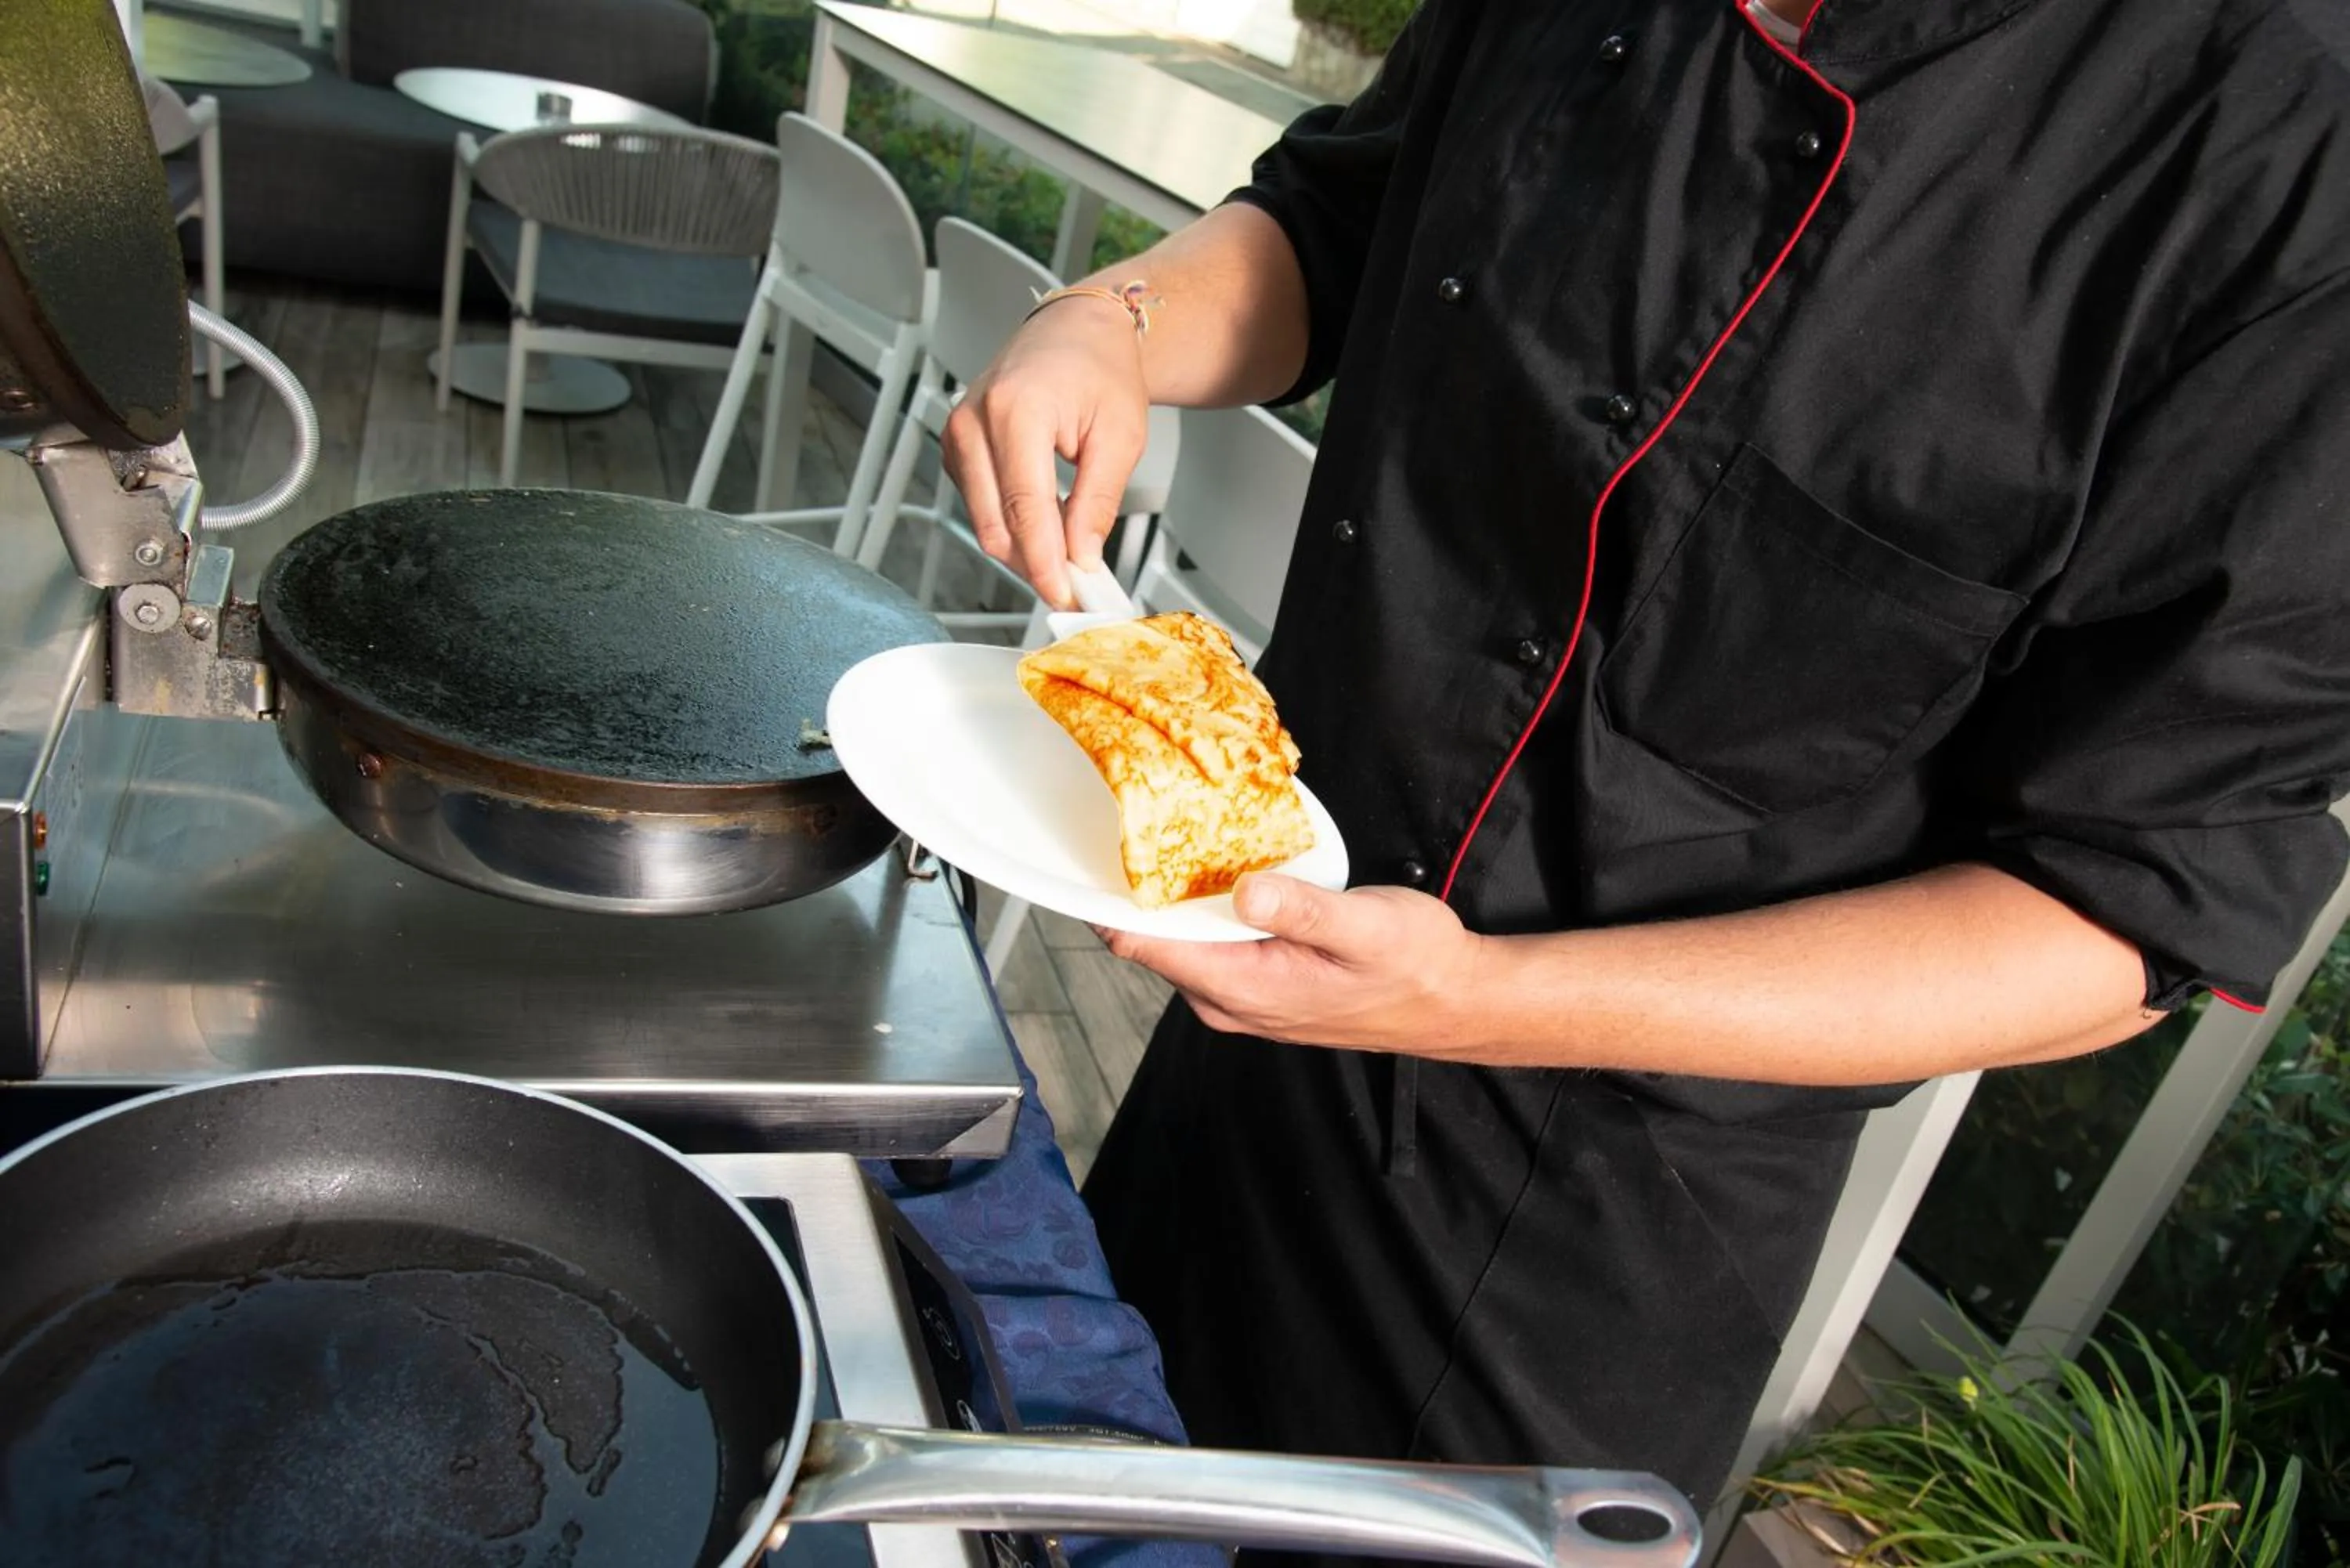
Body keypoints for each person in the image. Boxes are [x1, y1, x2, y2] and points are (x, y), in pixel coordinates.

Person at [942, 0, 2350, 1528]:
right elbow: (1339, 214)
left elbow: (2123, 909)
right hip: (1255, 1025)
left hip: (1584, 1241)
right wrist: (1117, 316)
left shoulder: (2289, 151)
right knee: (1057, 1504)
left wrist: (1473, 1001)